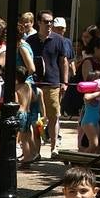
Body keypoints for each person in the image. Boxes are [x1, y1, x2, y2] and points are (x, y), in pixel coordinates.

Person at [26, 13, 69, 158]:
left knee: (54, 116)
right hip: (35, 83)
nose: (49, 24)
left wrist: (65, 82)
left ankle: (53, 148)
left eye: (51, 21)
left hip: (53, 83)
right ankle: (36, 152)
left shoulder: (59, 40)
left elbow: (64, 62)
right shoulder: (31, 40)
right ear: (39, 23)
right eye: (46, 21)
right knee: (35, 119)